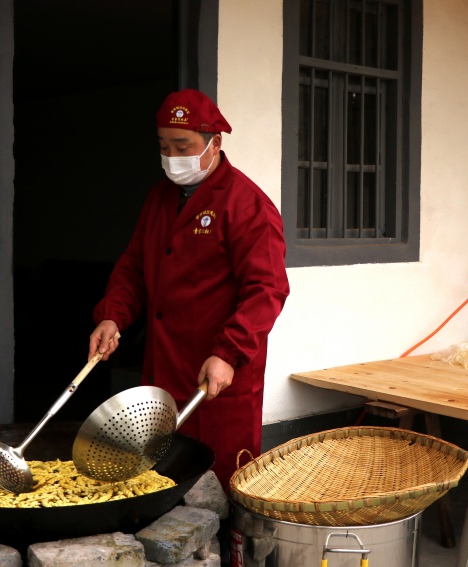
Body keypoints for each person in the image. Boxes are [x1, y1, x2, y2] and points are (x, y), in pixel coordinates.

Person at [88, 88, 290, 490]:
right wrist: (113, 315)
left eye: (183, 145)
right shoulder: (160, 198)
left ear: (215, 143)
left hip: (217, 374)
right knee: (161, 479)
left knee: (222, 480)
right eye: (164, 146)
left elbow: (266, 289)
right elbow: (133, 267)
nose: (172, 156)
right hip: (164, 364)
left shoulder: (247, 205)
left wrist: (228, 353)